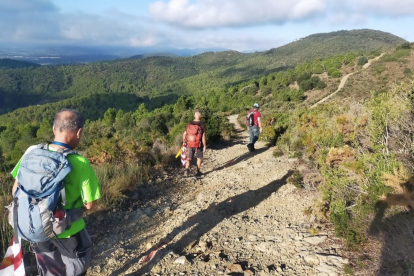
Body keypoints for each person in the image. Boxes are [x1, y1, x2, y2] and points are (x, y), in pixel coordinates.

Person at [11, 109, 101, 276]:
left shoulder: (31, 152)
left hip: (37, 230)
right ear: (79, 132)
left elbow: (15, 190)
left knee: (50, 272)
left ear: (54, 128)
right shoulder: (80, 162)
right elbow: (89, 205)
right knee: (76, 270)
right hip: (70, 232)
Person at [182, 109, 207, 177]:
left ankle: (186, 170)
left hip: (190, 143)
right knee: (199, 158)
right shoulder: (202, 125)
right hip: (198, 144)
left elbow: (184, 134)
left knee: (189, 158)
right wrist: (205, 145)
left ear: (194, 115)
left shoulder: (189, 124)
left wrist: (184, 141)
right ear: (200, 116)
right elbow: (203, 136)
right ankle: (198, 172)